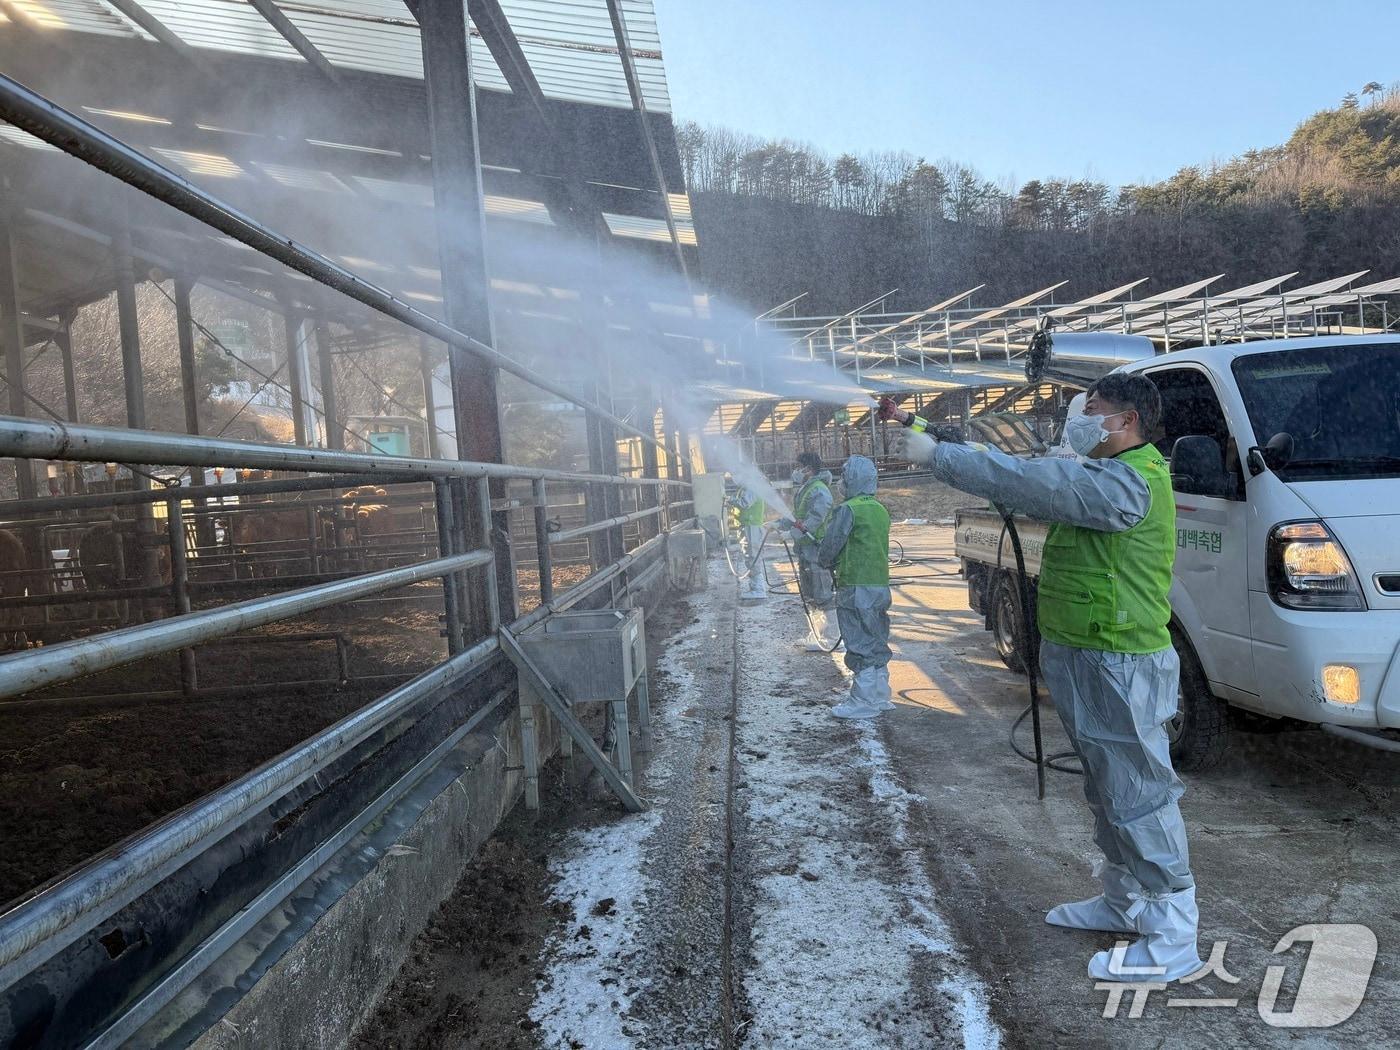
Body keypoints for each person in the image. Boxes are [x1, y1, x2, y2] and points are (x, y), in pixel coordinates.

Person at [893, 373, 1202, 982]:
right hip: (1088, 655)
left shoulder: (1129, 482)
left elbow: (1032, 481)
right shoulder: (1103, 472)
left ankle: (1173, 933)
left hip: (1118, 660)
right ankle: (1124, 898)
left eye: (1094, 409)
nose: (1080, 419)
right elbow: (1034, 472)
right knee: (1107, 787)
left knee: (1138, 793)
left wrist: (944, 459)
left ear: (1128, 421)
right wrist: (945, 441)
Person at [817, 456, 894, 718]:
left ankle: (863, 701)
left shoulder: (848, 510)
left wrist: (824, 560)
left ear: (852, 480)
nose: (841, 482)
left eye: (844, 477)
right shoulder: (879, 509)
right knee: (876, 637)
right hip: (879, 584)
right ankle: (880, 695)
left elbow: (832, 544)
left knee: (859, 640)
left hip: (855, 584)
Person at [783, 452, 838, 650]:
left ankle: (832, 638)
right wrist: (779, 524)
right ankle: (817, 634)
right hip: (806, 549)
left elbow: (815, 518)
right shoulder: (806, 489)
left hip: (817, 549)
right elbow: (797, 516)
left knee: (822, 593)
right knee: (811, 594)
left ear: (809, 469)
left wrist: (792, 534)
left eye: (798, 467)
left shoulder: (819, 490)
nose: (796, 471)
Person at [731, 483, 768, 600]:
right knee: (750, 557)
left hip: (752, 527)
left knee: (753, 557)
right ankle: (755, 587)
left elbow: (745, 503)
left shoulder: (753, 487)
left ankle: (759, 590)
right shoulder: (746, 488)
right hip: (747, 526)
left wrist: (730, 500)